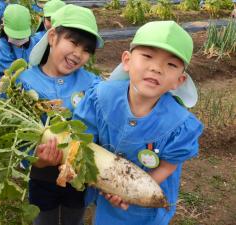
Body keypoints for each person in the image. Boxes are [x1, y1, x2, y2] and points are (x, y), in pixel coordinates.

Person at [73, 21, 204, 225]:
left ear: (179, 80)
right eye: (148, 56)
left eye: (171, 64)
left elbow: (169, 165)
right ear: (127, 60)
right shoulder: (100, 97)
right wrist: (107, 184)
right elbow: (85, 140)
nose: (156, 68)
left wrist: (131, 191)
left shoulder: (179, 124)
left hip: (147, 202)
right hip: (106, 193)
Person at [16, 4, 104, 225]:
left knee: (74, 216)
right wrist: (36, 158)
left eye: (86, 50)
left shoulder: (93, 84)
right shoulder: (25, 82)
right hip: (41, 175)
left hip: (78, 176)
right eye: (73, 42)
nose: (78, 53)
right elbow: (17, 134)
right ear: (53, 36)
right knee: (43, 217)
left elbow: (102, 126)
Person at [0, 4, 40, 96]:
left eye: (22, 37)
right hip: (4, 91)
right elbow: (15, 77)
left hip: (23, 88)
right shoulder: (0, 50)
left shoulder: (33, 42)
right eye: (15, 36)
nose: (19, 41)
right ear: (3, 26)